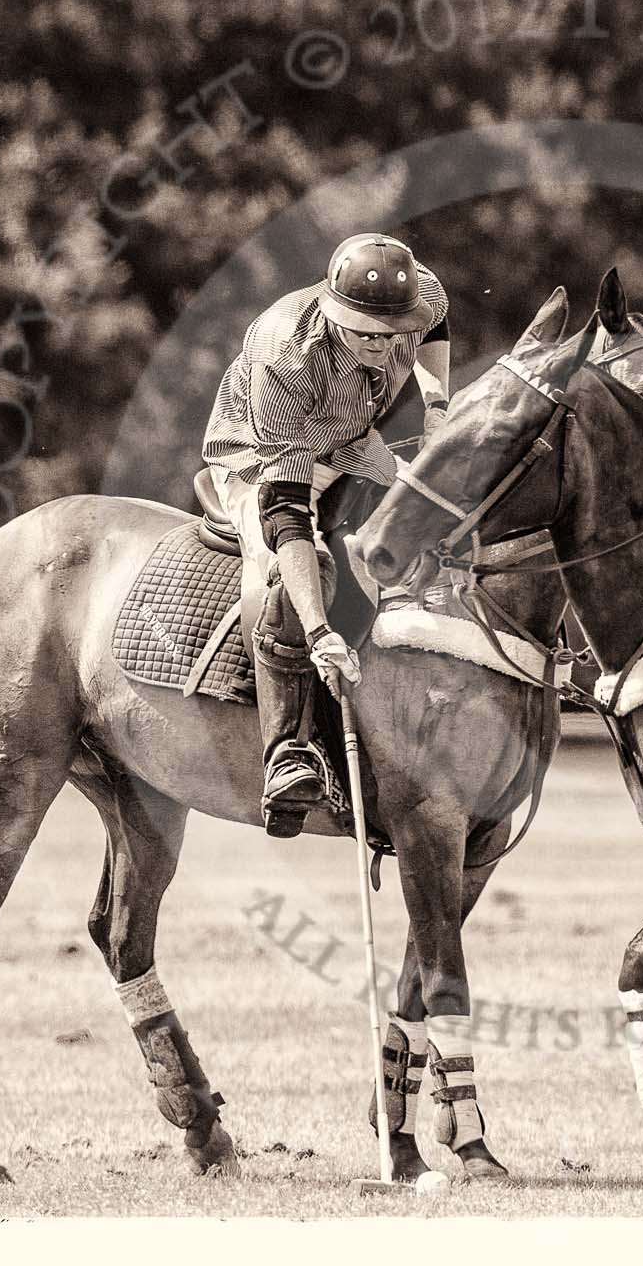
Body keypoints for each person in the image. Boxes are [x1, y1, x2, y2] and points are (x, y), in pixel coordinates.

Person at [202, 232, 452, 836]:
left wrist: (438, 404)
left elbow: (438, 323)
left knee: (444, 519)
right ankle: (286, 754)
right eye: (362, 331)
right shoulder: (283, 354)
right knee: (291, 572)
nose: (378, 344)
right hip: (259, 459)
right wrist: (320, 632)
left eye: (389, 333)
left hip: (352, 445)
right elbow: (284, 507)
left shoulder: (418, 295)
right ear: (335, 311)